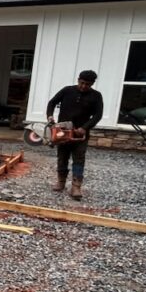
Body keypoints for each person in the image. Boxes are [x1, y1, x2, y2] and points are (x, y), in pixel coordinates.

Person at [45, 69, 104, 201]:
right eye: (82, 83)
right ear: (78, 79)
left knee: (79, 159)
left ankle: (76, 186)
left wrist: (85, 127)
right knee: (62, 157)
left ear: (92, 84)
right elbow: (52, 102)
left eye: (87, 84)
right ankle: (61, 182)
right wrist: (50, 116)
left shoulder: (96, 96)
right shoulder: (67, 91)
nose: (83, 86)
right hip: (63, 131)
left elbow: (98, 115)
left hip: (80, 134)